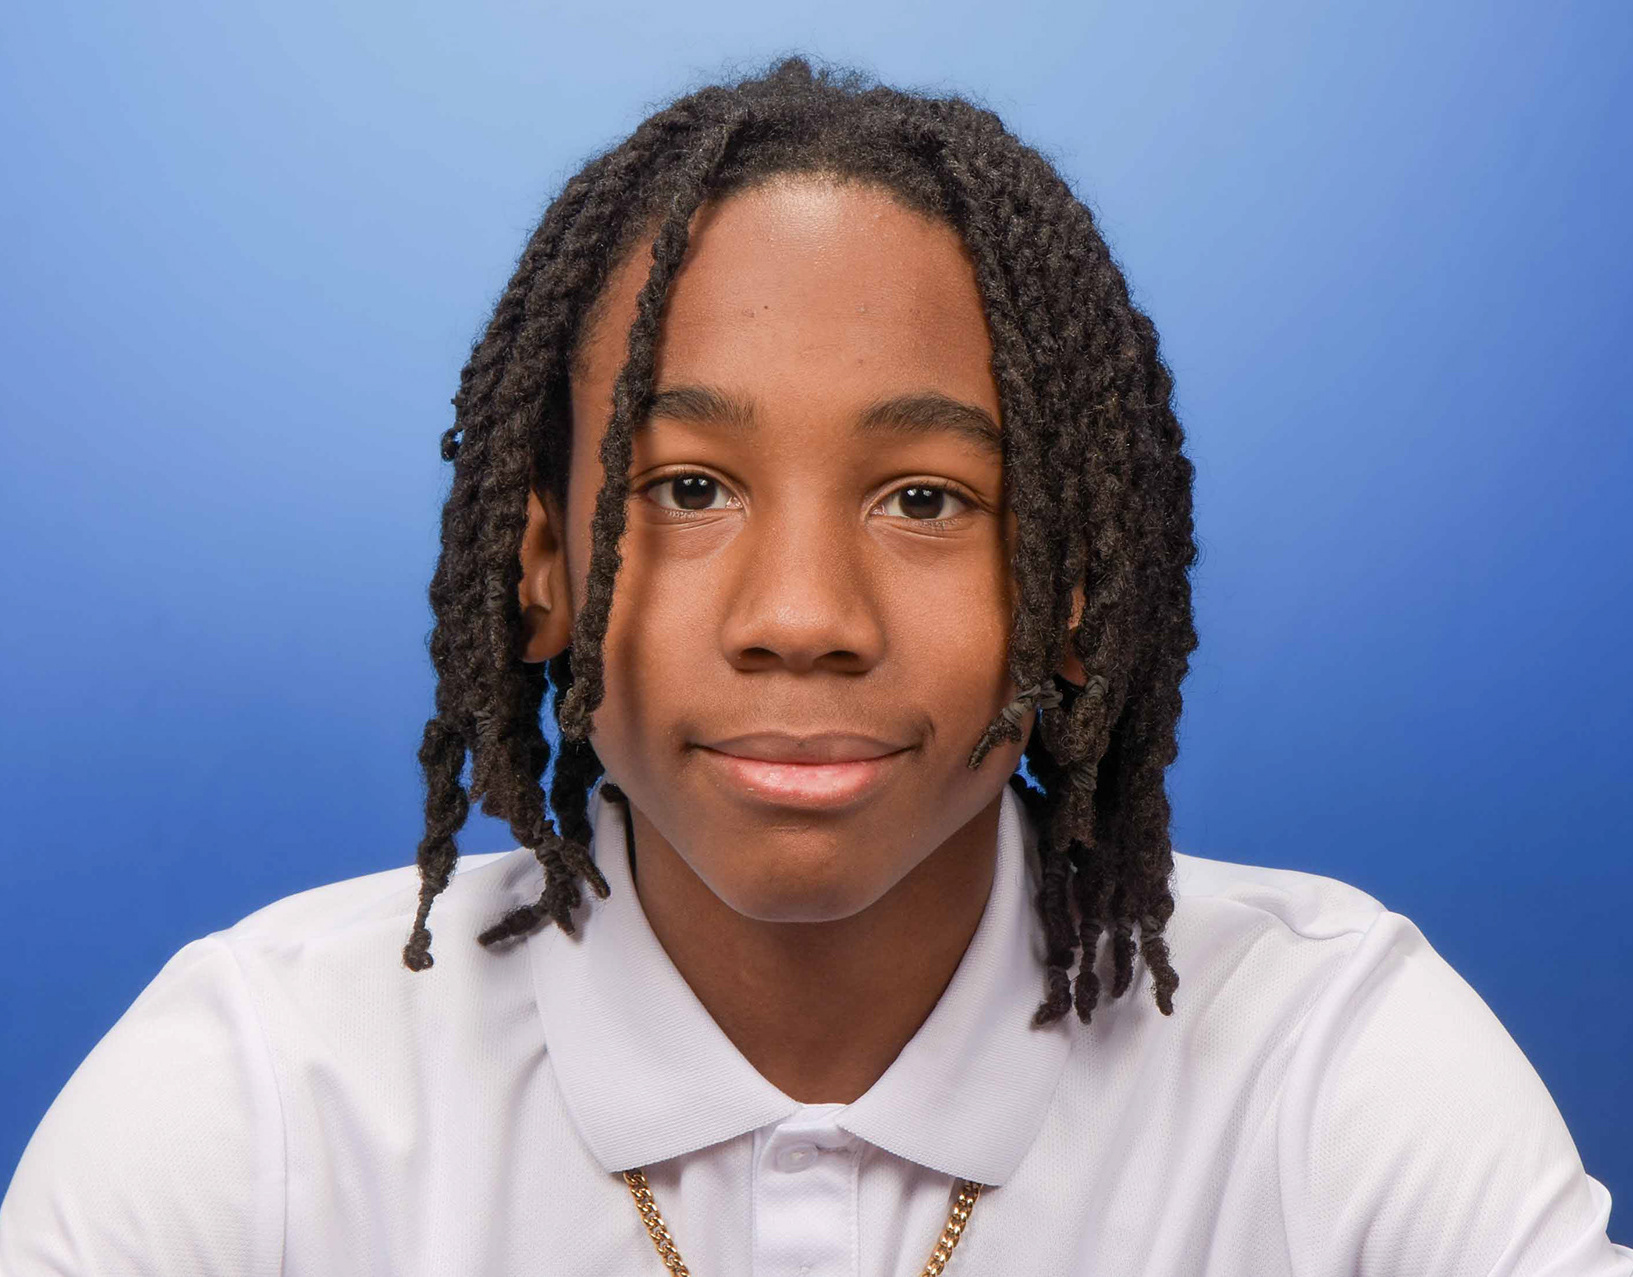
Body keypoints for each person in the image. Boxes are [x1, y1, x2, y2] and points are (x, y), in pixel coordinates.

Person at [2, 55, 1627, 1277]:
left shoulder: (1322, 1058)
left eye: (924, 500)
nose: (799, 612)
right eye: (684, 487)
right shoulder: (264, 1092)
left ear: (1071, 590)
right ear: (542, 565)